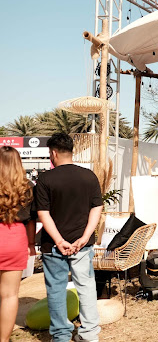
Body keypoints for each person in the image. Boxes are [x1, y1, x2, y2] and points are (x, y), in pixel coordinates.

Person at [35, 133, 102, 342]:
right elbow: (97, 208)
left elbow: (43, 213)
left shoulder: (45, 179)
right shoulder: (89, 176)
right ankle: (89, 334)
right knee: (86, 287)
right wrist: (85, 236)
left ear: (53, 153)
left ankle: (61, 336)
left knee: (56, 289)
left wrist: (59, 240)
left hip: (53, 245)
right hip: (82, 244)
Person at [0, 147, 36, 342]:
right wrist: (31, 244)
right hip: (15, 238)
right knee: (10, 295)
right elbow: (31, 220)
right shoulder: (27, 186)